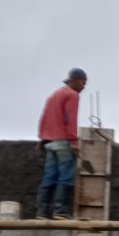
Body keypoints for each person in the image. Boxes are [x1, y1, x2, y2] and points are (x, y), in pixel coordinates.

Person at [36, 68, 87, 219]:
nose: (83, 87)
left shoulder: (54, 96)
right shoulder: (72, 95)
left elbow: (43, 118)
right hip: (63, 142)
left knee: (49, 176)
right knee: (65, 176)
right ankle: (61, 211)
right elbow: (70, 120)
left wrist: (42, 139)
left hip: (49, 142)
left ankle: (42, 212)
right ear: (76, 81)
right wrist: (73, 141)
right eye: (83, 83)